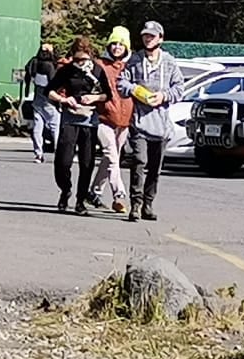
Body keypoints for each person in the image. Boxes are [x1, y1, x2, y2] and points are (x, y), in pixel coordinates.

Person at [116, 21, 185, 222]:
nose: (148, 39)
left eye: (152, 36)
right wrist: (136, 91)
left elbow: (179, 88)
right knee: (139, 161)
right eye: (145, 35)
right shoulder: (134, 60)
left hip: (161, 125)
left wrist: (163, 96)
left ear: (160, 38)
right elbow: (122, 82)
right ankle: (135, 204)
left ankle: (148, 203)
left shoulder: (169, 62)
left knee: (155, 166)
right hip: (139, 122)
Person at [46, 37, 111, 215]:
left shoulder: (97, 70)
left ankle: (80, 200)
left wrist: (94, 98)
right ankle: (65, 189)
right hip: (69, 118)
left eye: (84, 59)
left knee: (87, 162)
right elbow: (49, 91)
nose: (80, 63)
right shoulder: (67, 70)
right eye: (77, 59)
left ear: (90, 56)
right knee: (62, 162)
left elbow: (108, 95)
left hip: (89, 120)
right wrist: (64, 99)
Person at [88, 26, 134, 213]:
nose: (116, 47)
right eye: (113, 43)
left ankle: (94, 192)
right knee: (112, 156)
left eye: (120, 44)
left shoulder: (132, 66)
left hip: (124, 121)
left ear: (126, 47)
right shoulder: (100, 65)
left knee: (110, 159)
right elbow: (90, 87)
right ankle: (119, 195)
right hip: (104, 118)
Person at [23, 43, 60, 163]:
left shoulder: (34, 63)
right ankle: (59, 153)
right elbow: (53, 84)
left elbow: (29, 73)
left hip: (37, 101)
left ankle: (38, 153)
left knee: (37, 129)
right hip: (49, 102)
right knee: (56, 128)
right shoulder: (49, 66)